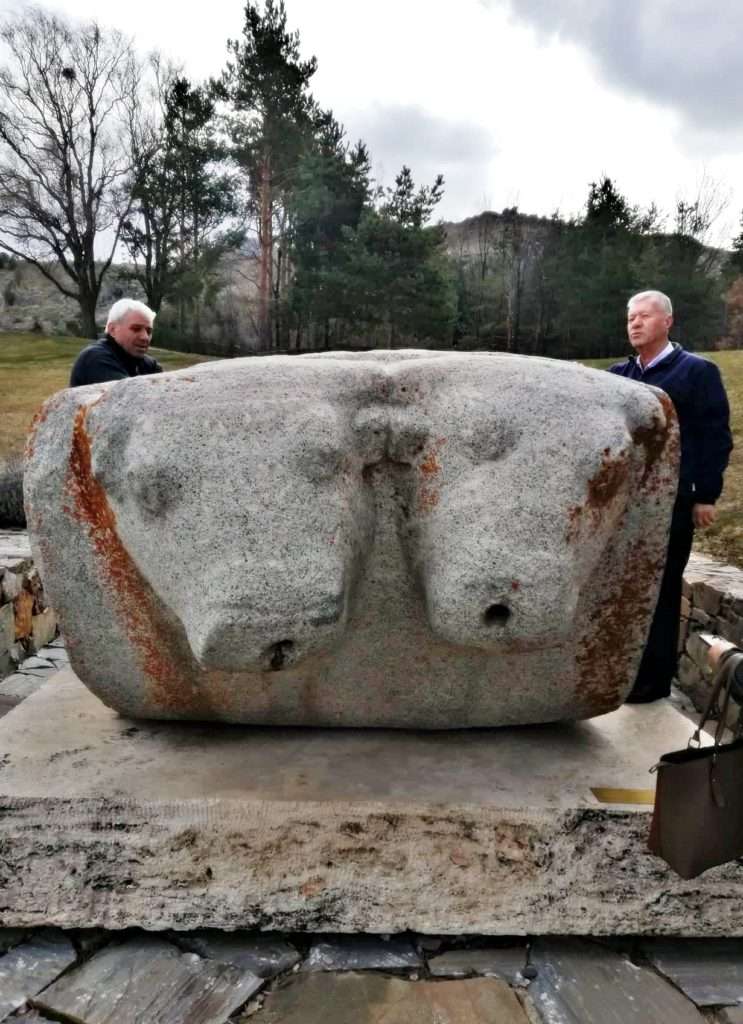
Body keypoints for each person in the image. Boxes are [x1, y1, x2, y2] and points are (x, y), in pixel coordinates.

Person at [609, 290, 733, 702]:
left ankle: (650, 684)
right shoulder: (619, 374)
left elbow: (714, 438)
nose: (635, 323)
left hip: (673, 501)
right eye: (630, 317)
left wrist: (705, 495)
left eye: (644, 316)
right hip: (624, 503)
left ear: (668, 322)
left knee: (659, 591)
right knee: (621, 587)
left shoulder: (696, 373)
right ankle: (615, 670)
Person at [70, 299, 162, 387]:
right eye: (136, 329)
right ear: (112, 330)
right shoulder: (96, 358)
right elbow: (130, 397)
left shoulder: (148, 364)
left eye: (149, 331)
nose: (145, 337)